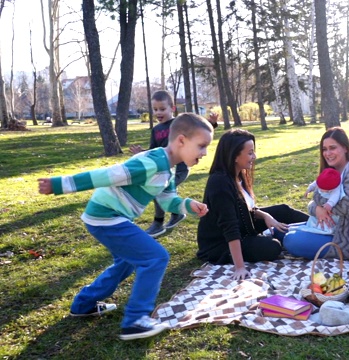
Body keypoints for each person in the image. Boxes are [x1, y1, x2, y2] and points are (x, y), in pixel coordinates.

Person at [37, 113, 214, 340]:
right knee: (156, 257)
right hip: (106, 217)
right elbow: (108, 175)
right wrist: (61, 184)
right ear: (181, 140)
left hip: (111, 218)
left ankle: (83, 304)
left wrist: (189, 206)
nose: (204, 153)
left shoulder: (167, 168)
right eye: (201, 146)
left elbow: (168, 199)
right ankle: (136, 320)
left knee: (128, 263)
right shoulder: (151, 163)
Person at [196, 129, 309, 280]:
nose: (254, 157)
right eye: (250, 153)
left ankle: (323, 228)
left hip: (245, 226)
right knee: (272, 247)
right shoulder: (219, 183)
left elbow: (246, 208)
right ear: (234, 155)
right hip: (220, 244)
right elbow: (230, 227)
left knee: (284, 210)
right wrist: (240, 267)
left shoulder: (238, 175)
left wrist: (266, 216)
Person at [129, 90, 215, 237]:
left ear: (172, 108)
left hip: (180, 168)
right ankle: (177, 214)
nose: (158, 112)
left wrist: (213, 124)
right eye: (155, 109)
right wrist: (141, 153)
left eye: (162, 109)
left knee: (158, 189)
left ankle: (158, 223)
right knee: (162, 190)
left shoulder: (178, 124)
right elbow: (154, 150)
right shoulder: (156, 130)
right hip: (164, 168)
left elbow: (197, 132)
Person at [283, 127, 349, 260]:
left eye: (332, 148)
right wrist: (317, 209)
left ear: (345, 148)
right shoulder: (330, 172)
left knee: (290, 240)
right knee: (280, 231)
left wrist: (317, 200)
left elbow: (345, 207)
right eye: (324, 149)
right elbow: (314, 205)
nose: (328, 153)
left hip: (346, 241)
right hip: (327, 230)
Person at [298, 167, 344, 234]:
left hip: (329, 210)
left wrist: (330, 204)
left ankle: (325, 230)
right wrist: (309, 189)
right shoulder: (321, 180)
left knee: (328, 220)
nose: (321, 190)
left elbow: (335, 196)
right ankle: (312, 226)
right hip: (319, 208)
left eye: (325, 190)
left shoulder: (336, 188)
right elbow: (314, 183)